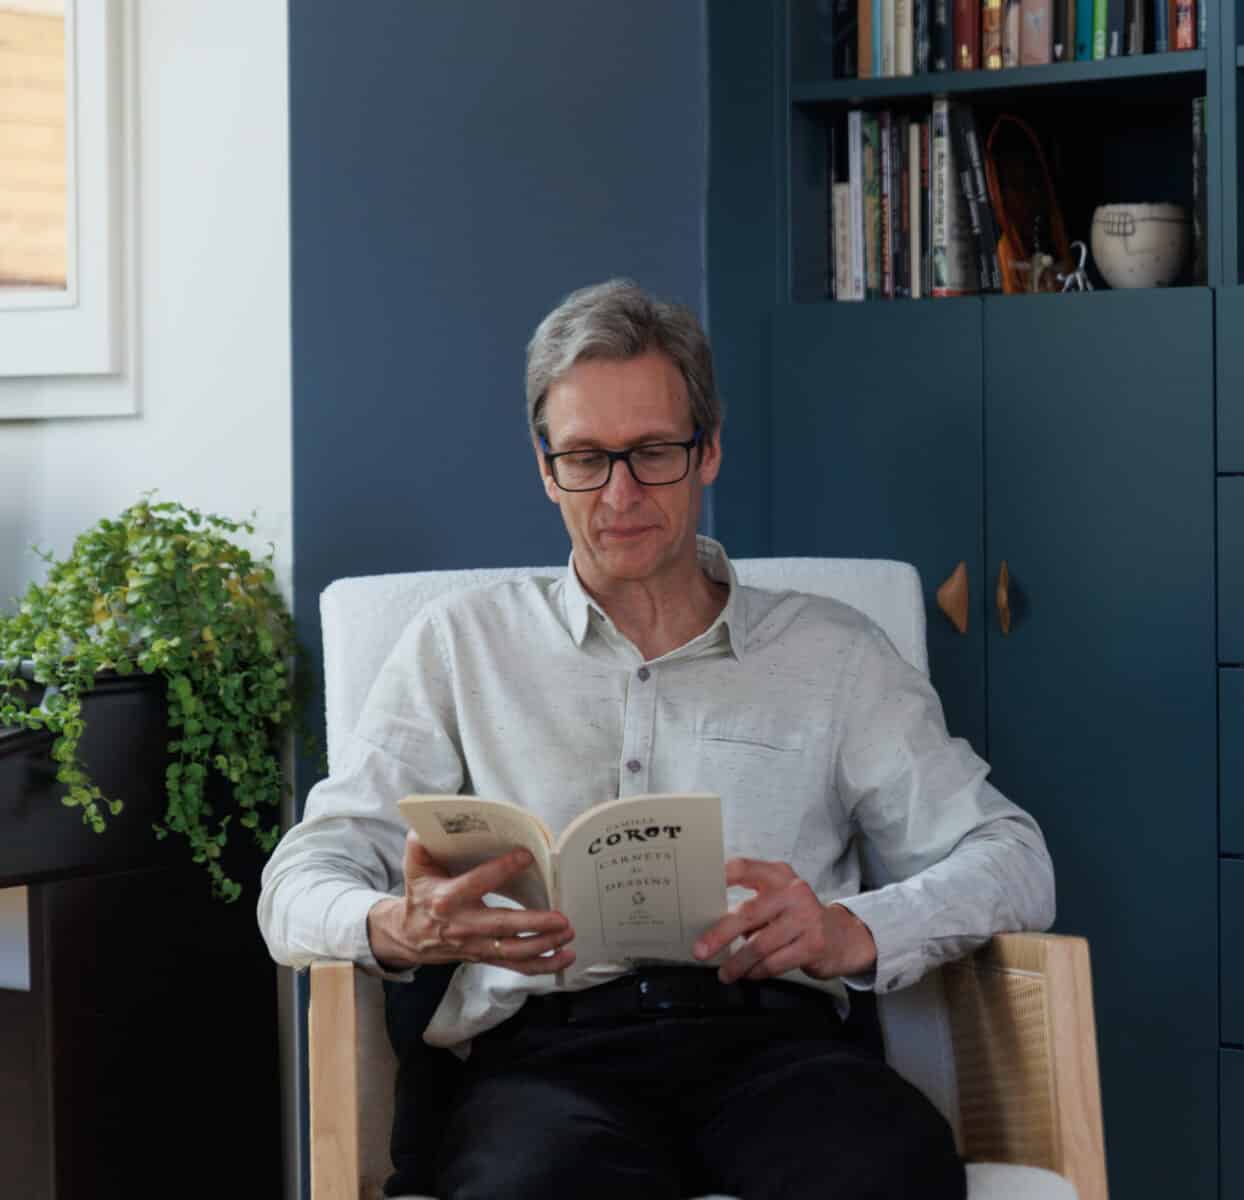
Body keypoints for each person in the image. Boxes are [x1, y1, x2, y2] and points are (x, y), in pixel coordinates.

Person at [258, 279, 1057, 1200]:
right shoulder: (458, 644)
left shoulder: (831, 651)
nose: (621, 494)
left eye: (653, 453)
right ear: (545, 465)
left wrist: (852, 931)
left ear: (708, 449)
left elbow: (1014, 858)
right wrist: (397, 928)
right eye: (587, 458)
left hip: (777, 1047)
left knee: (886, 1167)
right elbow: (295, 882)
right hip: (540, 1064)